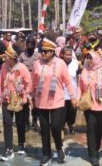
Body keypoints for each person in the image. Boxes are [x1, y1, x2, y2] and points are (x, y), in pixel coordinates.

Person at [31, 37, 77, 166]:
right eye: (42, 51)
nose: (43, 54)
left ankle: (58, 147)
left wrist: (73, 96)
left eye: (46, 51)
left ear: (52, 52)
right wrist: (31, 97)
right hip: (41, 101)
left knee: (56, 127)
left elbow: (67, 81)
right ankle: (46, 154)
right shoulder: (37, 64)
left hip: (57, 100)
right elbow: (33, 82)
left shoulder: (60, 63)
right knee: (44, 129)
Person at [77, 48, 102, 166]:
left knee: (99, 130)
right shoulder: (85, 71)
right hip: (89, 106)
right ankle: (93, 155)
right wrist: (77, 99)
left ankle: (95, 149)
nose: (89, 60)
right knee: (91, 129)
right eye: (87, 58)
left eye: (91, 58)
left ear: (96, 59)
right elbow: (80, 87)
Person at [0, 44, 32, 161]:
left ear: (12, 57)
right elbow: (1, 82)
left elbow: (28, 83)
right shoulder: (3, 67)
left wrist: (25, 96)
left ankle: (21, 143)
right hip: (7, 99)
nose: (4, 58)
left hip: (19, 100)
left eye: (6, 56)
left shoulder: (22, 68)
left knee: (20, 122)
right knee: (7, 123)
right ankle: (9, 149)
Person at [19, 36, 41, 132]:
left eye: (31, 44)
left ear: (34, 45)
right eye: (28, 44)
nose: (29, 45)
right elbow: (18, 67)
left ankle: (35, 122)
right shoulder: (21, 56)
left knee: (35, 103)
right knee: (26, 103)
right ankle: (26, 122)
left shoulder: (38, 56)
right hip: (25, 82)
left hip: (36, 81)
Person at [62, 47, 79, 134]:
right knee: (63, 110)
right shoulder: (60, 64)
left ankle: (70, 124)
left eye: (70, 55)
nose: (68, 56)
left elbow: (79, 76)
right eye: (66, 55)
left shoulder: (75, 63)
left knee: (73, 111)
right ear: (62, 55)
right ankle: (63, 125)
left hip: (73, 92)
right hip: (62, 92)